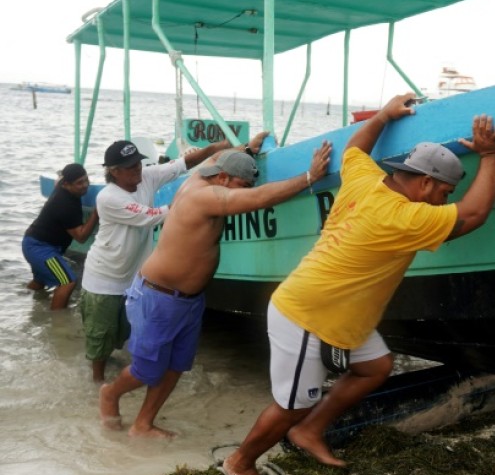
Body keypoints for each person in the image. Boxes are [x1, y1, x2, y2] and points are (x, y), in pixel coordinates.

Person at [222, 92, 495, 475]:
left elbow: (355, 148)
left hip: (336, 309)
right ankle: (240, 463)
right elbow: (474, 215)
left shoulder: (365, 179)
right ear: (423, 182)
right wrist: (491, 155)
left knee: (375, 367)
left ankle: (310, 431)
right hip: (308, 315)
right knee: (293, 404)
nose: (444, 201)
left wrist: (384, 115)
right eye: (443, 191)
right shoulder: (405, 217)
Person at [98, 139, 333, 438]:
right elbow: (261, 198)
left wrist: (247, 149)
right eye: (240, 185)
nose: (243, 192)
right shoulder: (204, 196)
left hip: (189, 300)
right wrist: (310, 177)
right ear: (222, 178)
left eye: (246, 185)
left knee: (175, 366)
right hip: (158, 297)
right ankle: (110, 393)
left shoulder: (208, 173)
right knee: (147, 370)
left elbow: (222, 155)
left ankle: (143, 424)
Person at [80, 134, 266, 383]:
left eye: (138, 163)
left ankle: (121, 378)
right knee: (99, 341)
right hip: (103, 279)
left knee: (123, 337)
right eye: (130, 167)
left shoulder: (145, 176)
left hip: (132, 278)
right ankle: (96, 385)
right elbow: (154, 215)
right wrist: (197, 198)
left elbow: (184, 163)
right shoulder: (109, 197)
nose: (137, 169)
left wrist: (233, 149)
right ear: (114, 172)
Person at [22, 163, 99, 310]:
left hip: (32, 243)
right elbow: (81, 237)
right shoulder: (64, 205)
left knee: (39, 282)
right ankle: (57, 324)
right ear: (66, 184)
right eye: (79, 183)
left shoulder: (62, 186)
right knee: (68, 281)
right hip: (41, 249)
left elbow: (58, 179)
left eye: (86, 180)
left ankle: (23, 302)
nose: (85, 186)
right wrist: (95, 214)